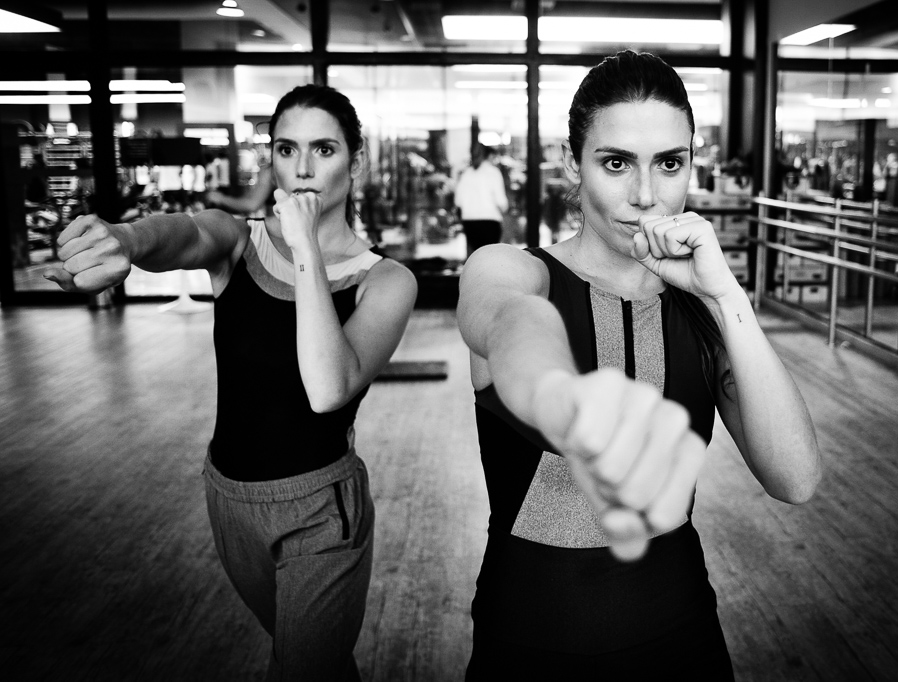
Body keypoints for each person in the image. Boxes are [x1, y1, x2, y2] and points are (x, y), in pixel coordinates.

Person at [457, 50, 821, 678]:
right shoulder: (512, 269)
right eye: (617, 163)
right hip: (528, 647)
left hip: (682, 640)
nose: (646, 196)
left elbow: (796, 479)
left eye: (669, 164)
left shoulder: (703, 312)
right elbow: (508, 319)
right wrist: (564, 396)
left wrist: (726, 298)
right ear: (573, 163)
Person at [44, 84, 418, 681]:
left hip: (320, 512)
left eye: (323, 149)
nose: (302, 169)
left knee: (302, 670)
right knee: (312, 660)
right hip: (230, 499)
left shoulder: (386, 280)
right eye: (286, 150)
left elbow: (328, 388)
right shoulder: (239, 241)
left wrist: (305, 247)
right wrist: (125, 240)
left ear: (357, 162)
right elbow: (182, 232)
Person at [454, 144, 508, 257]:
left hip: (469, 222)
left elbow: (458, 201)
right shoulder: (493, 172)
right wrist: (504, 209)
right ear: (490, 156)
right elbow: (501, 201)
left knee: (477, 256)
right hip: (490, 222)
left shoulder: (466, 173)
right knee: (490, 258)